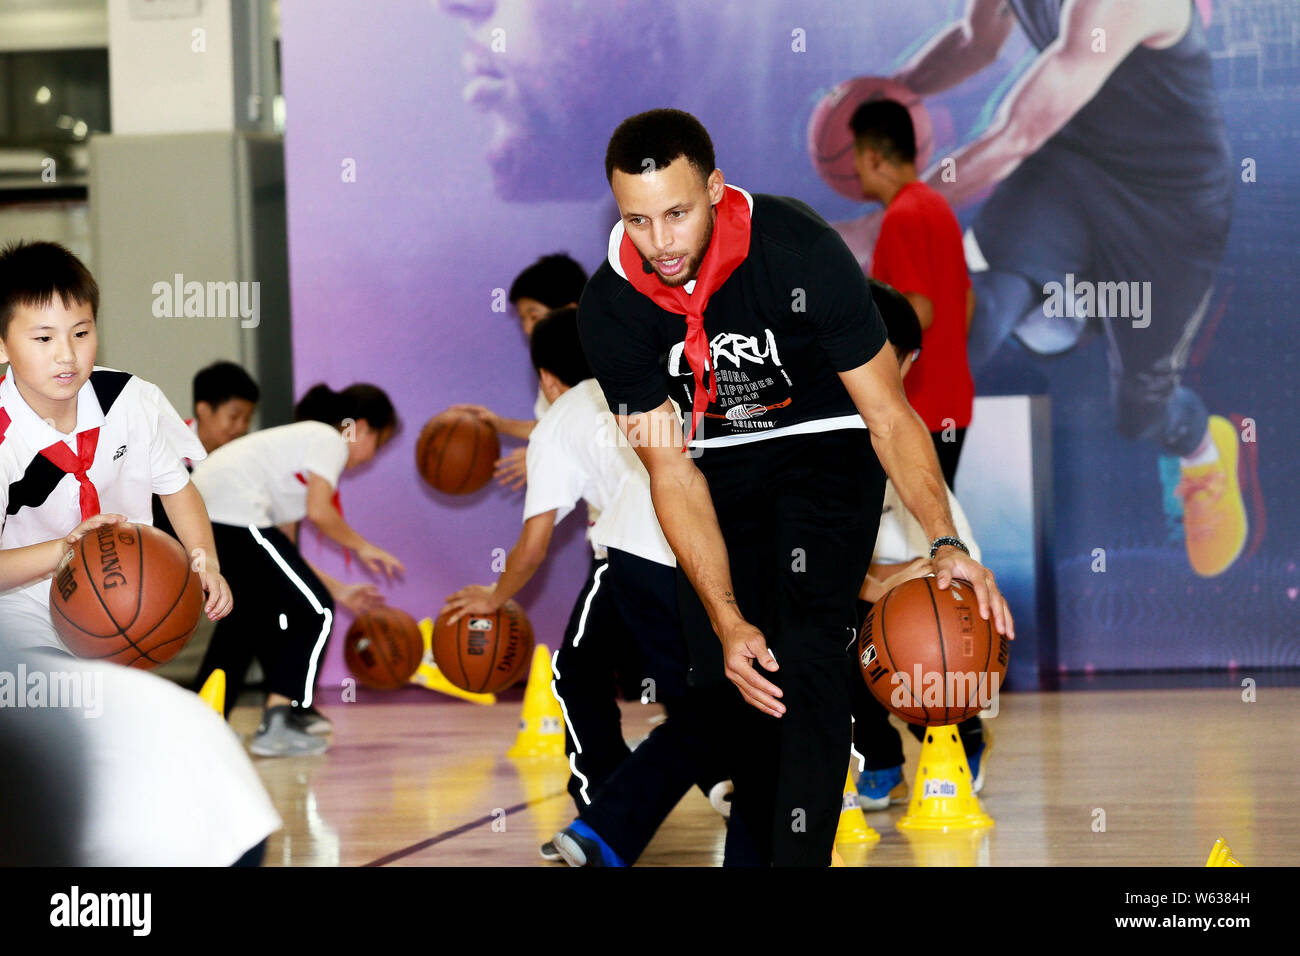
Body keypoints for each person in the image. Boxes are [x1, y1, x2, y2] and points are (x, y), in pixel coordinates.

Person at [564, 109, 1011, 867]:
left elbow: (887, 413)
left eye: (677, 213)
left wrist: (944, 539)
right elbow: (670, 469)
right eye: (639, 221)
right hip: (716, 466)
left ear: (713, 188)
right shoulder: (612, 307)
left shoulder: (797, 247)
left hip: (826, 452)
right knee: (742, 687)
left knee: (805, 661)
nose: (662, 241)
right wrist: (728, 617)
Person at [835, 0, 1240, 577]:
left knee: (1140, 409)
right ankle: (904, 519)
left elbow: (1014, 136)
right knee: (972, 317)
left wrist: (878, 226)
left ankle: (1202, 448)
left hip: (1169, 208)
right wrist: (898, 91)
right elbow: (977, 39)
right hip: (1069, 169)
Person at [440, 307, 729, 863]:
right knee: (694, 693)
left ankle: (606, 806)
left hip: (635, 554)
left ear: (547, 378)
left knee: (587, 674)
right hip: (699, 551)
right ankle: (690, 787)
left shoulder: (558, 420)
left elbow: (532, 547)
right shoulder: (643, 383)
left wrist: (493, 598)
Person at [0, 239, 233, 657]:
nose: (66, 355)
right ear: (2, 345)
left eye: (81, 333)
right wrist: (64, 552)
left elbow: (176, 489)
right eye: (43, 339)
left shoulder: (130, 399)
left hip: (122, 596)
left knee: (118, 710)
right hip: (20, 608)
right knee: (50, 703)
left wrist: (205, 560)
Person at [190, 383, 404, 756]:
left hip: (209, 513)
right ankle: (285, 715)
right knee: (316, 612)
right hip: (229, 511)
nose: (371, 457)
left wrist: (342, 589)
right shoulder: (329, 438)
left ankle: (203, 720)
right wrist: (364, 547)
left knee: (245, 620)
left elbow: (284, 555)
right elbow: (322, 513)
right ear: (363, 428)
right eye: (379, 443)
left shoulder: (294, 464)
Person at [849, 279, 990, 810]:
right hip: (862, 589)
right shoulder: (815, 440)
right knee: (833, 636)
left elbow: (955, 561)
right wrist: (874, 585)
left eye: (880, 362)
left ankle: (962, 737)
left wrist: (895, 584)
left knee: (925, 636)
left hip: (919, 592)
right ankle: (879, 759)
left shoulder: (905, 447)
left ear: (907, 365)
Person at [851, 100, 974, 487]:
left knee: (920, 535)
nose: (854, 170)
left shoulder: (902, 216)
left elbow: (918, 312)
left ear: (871, 157)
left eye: (855, 156)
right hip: (952, 403)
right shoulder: (937, 205)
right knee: (937, 529)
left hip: (918, 411)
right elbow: (966, 301)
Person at [454, 252, 589, 491]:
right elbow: (558, 426)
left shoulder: (608, 363)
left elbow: (600, 435)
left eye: (534, 316)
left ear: (570, 310)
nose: (527, 329)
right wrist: (499, 424)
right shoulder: (551, 365)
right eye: (522, 319)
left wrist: (547, 461)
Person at [152, 360, 260, 536]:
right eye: (234, 417)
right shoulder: (166, 448)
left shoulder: (243, 457)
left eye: (247, 419)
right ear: (203, 410)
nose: (241, 427)